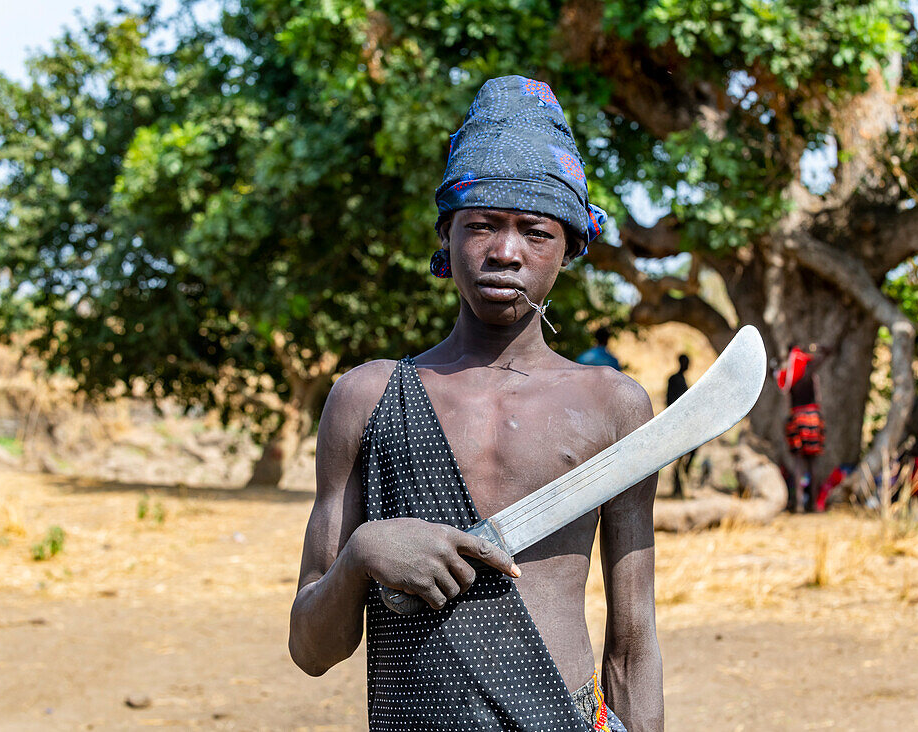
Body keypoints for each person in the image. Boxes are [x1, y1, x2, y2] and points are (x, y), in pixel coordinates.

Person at [288, 76, 662, 732]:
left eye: (535, 232)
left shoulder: (612, 405)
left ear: (572, 247)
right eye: (482, 225)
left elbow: (632, 647)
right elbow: (311, 649)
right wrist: (363, 552)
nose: (505, 252)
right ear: (446, 235)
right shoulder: (366, 398)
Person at [773, 342, 830, 512]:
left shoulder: (787, 375)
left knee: (799, 464)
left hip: (797, 420)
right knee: (813, 463)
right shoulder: (809, 370)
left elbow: (773, 374)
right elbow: (826, 352)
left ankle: (799, 503)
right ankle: (813, 503)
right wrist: (816, 348)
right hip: (812, 419)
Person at [666, 354, 696, 496]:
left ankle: (681, 479)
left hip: (682, 420)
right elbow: (671, 400)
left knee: (689, 450)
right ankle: (679, 481)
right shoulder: (675, 379)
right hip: (677, 421)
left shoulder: (681, 380)